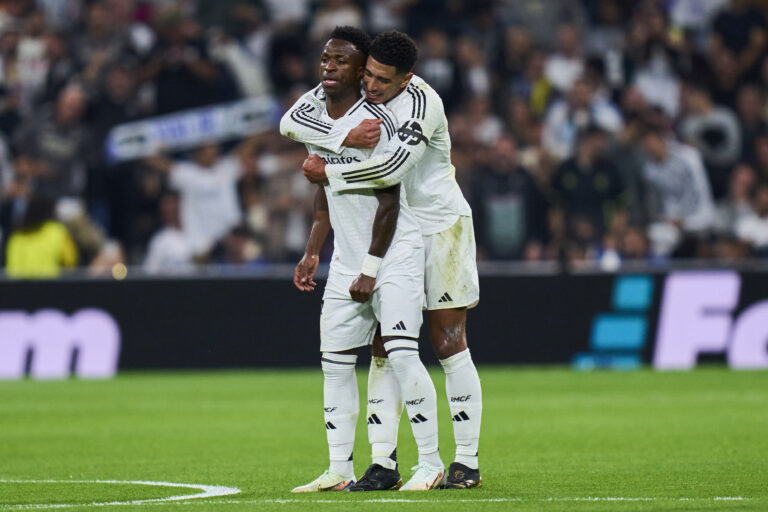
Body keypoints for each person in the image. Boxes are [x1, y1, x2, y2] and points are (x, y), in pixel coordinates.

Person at [287, 30, 483, 489]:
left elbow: (390, 171)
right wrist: (342, 136)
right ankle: (383, 462)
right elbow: (293, 123)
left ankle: (466, 461)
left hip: (437, 225)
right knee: (383, 348)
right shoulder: (356, 98)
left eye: (382, 80)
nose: (372, 86)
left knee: (447, 340)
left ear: (406, 78)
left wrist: (329, 167)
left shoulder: (421, 104)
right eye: (368, 74)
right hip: (388, 233)